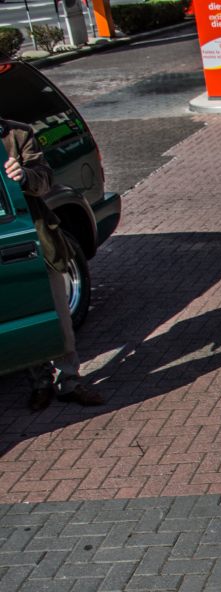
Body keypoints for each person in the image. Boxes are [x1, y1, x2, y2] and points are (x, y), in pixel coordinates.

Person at [1, 117, 105, 411]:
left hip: (34, 241)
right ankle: (40, 383)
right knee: (25, 316)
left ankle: (70, 381)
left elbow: (45, 179)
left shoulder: (18, 134)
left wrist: (24, 176)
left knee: (58, 315)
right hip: (5, 242)